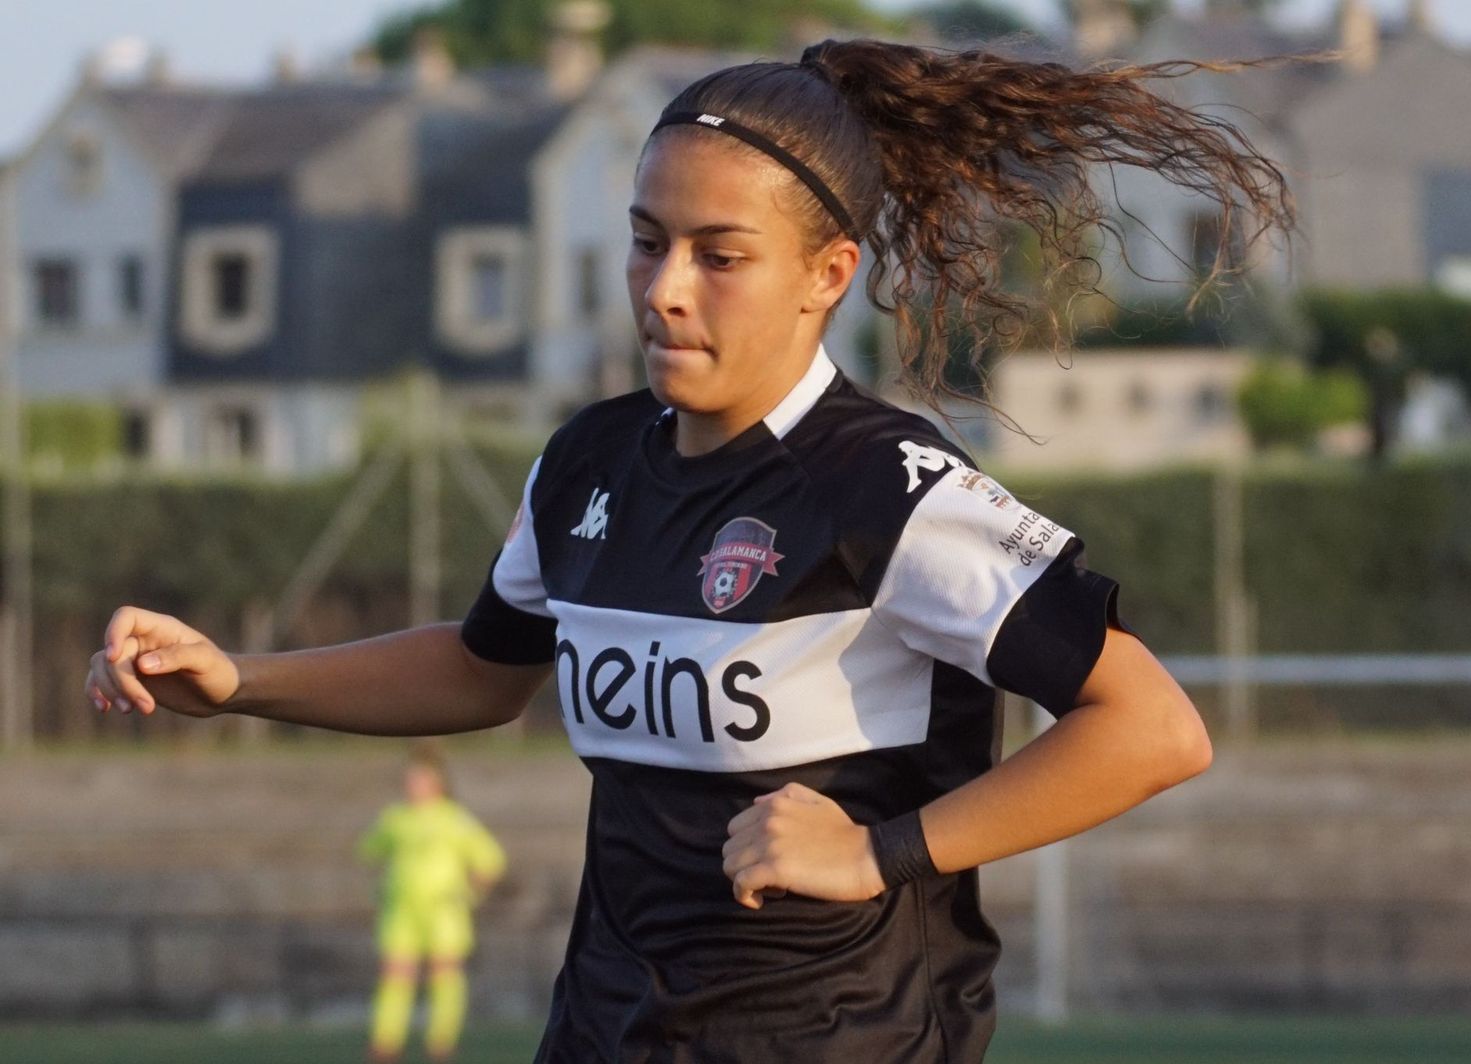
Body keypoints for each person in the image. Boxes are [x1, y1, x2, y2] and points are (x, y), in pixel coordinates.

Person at [85, 37, 1290, 1062]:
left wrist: (880, 851)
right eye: (645, 240)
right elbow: (483, 667)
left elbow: (1151, 726)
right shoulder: (589, 461)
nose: (665, 289)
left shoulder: (889, 486)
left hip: (841, 1035)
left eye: (719, 255)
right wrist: (243, 681)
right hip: (605, 1025)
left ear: (828, 276)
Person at [358, 743, 506, 1063]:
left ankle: (441, 1045)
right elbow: (370, 850)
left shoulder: (455, 820)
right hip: (402, 911)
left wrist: (468, 894)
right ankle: (385, 1045)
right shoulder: (396, 818)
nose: (415, 786)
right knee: (397, 976)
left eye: (422, 779)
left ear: (438, 782)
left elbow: (490, 862)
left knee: (445, 976)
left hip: (444, 911)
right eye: (411, 780)